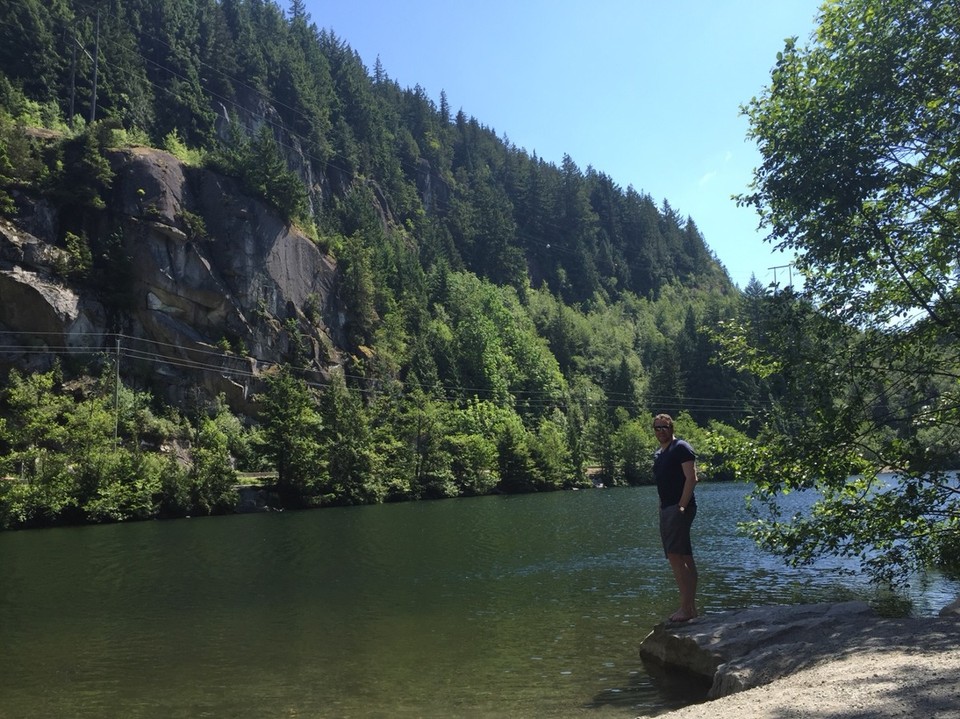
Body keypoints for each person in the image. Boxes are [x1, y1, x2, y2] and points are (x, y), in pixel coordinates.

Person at [652, 413, 698, 623]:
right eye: (657, 428)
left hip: (679, 508)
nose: (661, 431)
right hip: (668, 508)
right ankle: (690, 607)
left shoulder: (681, 447)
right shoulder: (659, 453)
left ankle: (685, 609)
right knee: (684, 556)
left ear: (672, 428)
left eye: (664, 427)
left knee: (675, 556)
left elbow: (692, 478)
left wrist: (681, 506)